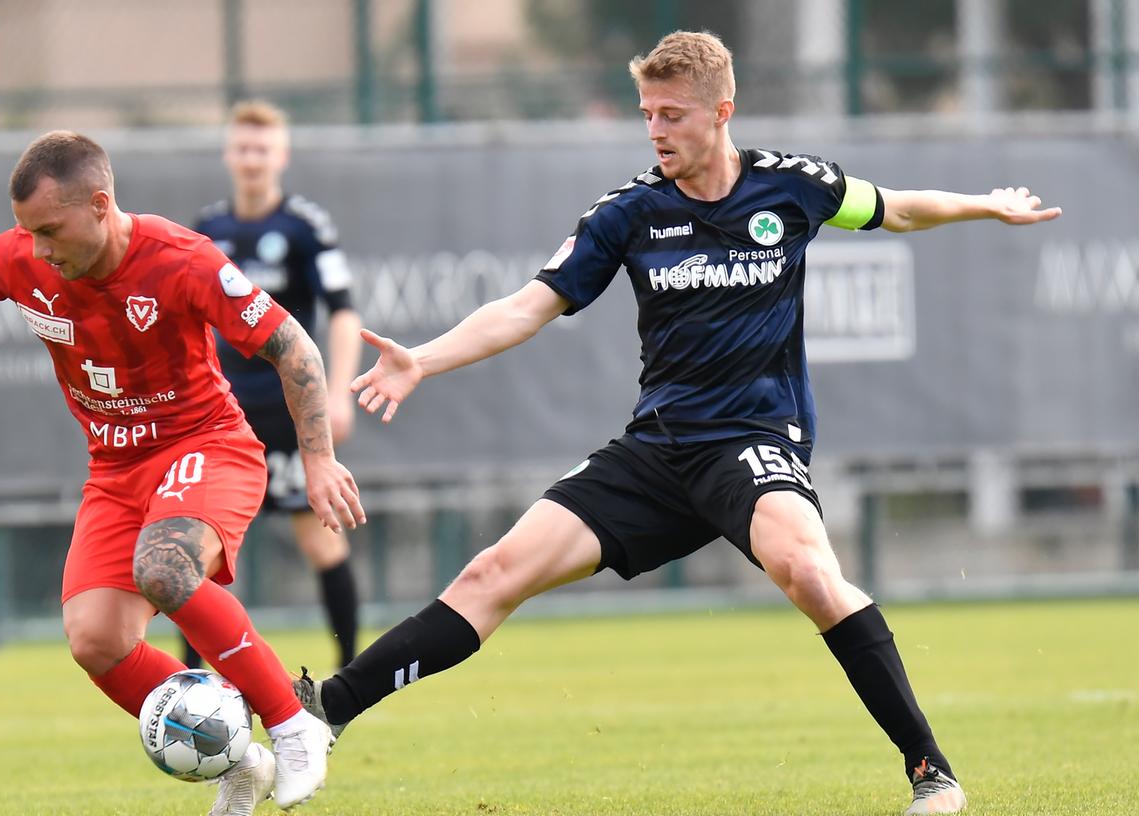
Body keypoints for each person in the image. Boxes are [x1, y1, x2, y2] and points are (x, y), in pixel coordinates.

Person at [293, 31, 1062, 816]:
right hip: (657, 449)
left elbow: (896, 209)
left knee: (806, 571)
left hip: (754, 441)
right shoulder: (627, 213)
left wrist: (982, 206)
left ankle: (931, 772)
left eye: (671, 114)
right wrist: (421, 359)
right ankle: (324, 712)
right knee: (492, 574)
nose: (655, 130)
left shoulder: (791, 187)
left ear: (720, 112)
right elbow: (527, 307)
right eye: (646, 115)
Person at [0, 131, 365, 816]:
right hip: (116, 470)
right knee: (96, 640)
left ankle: (291, 723)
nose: (38, 249)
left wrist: (317, 460)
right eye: (27, 232)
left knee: (162, 569)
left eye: (50, 230)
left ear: (100, 204)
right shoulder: (23, 257)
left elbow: (293, 346)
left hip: (207, 447)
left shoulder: (181, 259)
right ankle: (236, 757)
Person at [181, 100, 363, 671]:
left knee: (320, 541)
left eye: (263, 148)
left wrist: (334, 395)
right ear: (227, 154)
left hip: (289, 411)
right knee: (197, 553)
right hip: (221, 414)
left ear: (280, 155)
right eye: (242, 147)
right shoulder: (207, 231)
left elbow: (342, 311)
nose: (252, 159)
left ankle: (348, 678)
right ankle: (193, 686)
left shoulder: (304, 227)